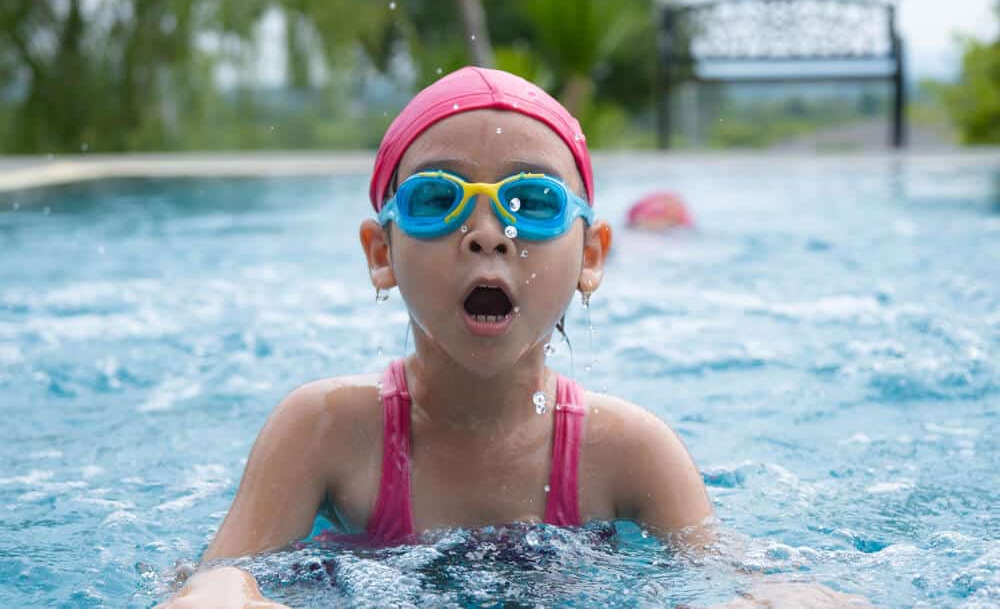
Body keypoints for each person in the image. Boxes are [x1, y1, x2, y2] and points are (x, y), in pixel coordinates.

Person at [158, 67, 864, 608]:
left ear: (591, 255)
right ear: (381, 252)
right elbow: (216, 582)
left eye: (533, 201)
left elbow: (740, 578)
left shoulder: (628, 452)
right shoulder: (325, 430)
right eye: (439, 199)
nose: (490, 232)